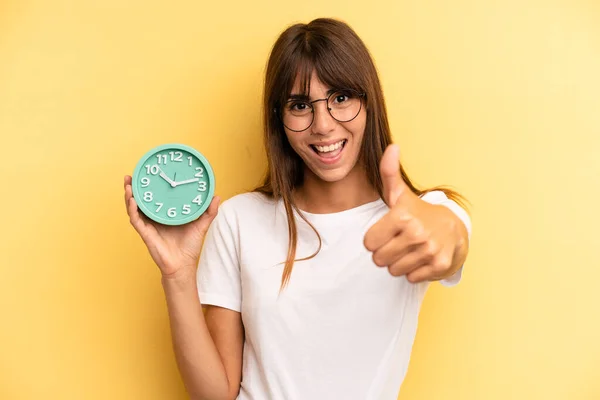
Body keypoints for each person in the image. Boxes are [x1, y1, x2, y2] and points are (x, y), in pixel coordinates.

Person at [124, 17, 471, 400]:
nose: (322, 125)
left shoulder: (418, 218)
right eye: (301, 105)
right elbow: (215, 395)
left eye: (341, 98)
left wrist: (445, 238)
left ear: (369, 102)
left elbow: (450, 239)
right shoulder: (239, 219)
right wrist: (177, 275)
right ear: (279, 118)